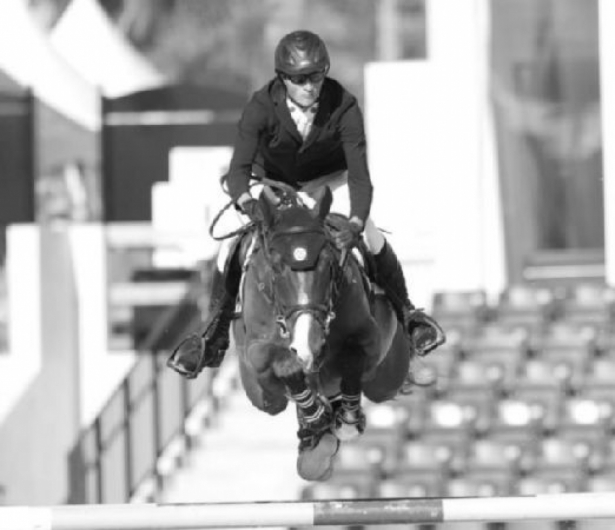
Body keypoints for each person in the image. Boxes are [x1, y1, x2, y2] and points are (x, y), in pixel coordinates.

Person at [167, 30, 445, 386]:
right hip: (273, 185)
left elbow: (360, 175)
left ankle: (409, 317)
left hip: (330, 181)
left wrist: (357, 221)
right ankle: (212, 335)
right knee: (228, 249)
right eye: (299, 79)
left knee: (373, 238)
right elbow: (237, 170)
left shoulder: (343, 104)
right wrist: (250, 204)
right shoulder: (261, 106)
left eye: (316, 76)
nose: (309, 86)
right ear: (283, 78)